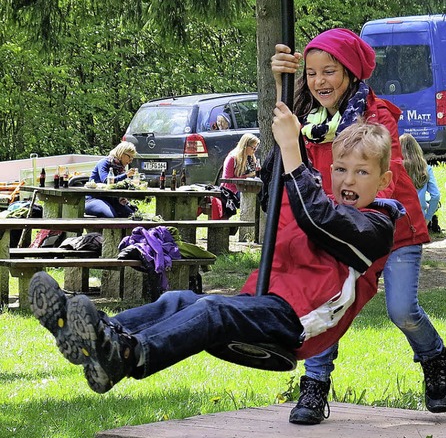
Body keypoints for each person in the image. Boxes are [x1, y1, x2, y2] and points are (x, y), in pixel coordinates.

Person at [29, 113, 402, 394]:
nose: (348, 180)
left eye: (362, 172)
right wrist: (284, 99)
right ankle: (97, 334)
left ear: (384, 181)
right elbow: (280, 188)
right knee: (178, 300)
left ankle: (129, 354)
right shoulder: (322, 201)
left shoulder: (376, 228)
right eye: (340, 169)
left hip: (296, 324)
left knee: (210, 310)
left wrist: (293, 150)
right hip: (264, 305)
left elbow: (319, 218)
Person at [271, 28, 446, 424]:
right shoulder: (310, 123)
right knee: (323, 303)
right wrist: (279, 83)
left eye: (330, 71)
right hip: (341, 230)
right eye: (311, 73)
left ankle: (434, 358)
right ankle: (315, 386)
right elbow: (283, 135)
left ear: (351, 73)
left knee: (402, 309)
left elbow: (377, 163)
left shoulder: (376, 116)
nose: (320, 81)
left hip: (391, 229)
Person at [399, 133, 442, 232]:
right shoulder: (426, 169)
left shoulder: (396, 168)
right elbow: (435, 195)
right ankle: (430, 221)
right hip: (419, 216)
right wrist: (427, 218)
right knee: (431, 202)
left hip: (399, 216)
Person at [85, 141, 137, 218]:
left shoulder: (120, 168)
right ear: (122, 154)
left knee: (132, 215)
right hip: (94, 199)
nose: (131, 161)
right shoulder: (104, 163)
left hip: (110, 200)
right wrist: (126, 175)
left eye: (132, 158)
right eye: (130, 157)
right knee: (111, 216)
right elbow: (107, 181)